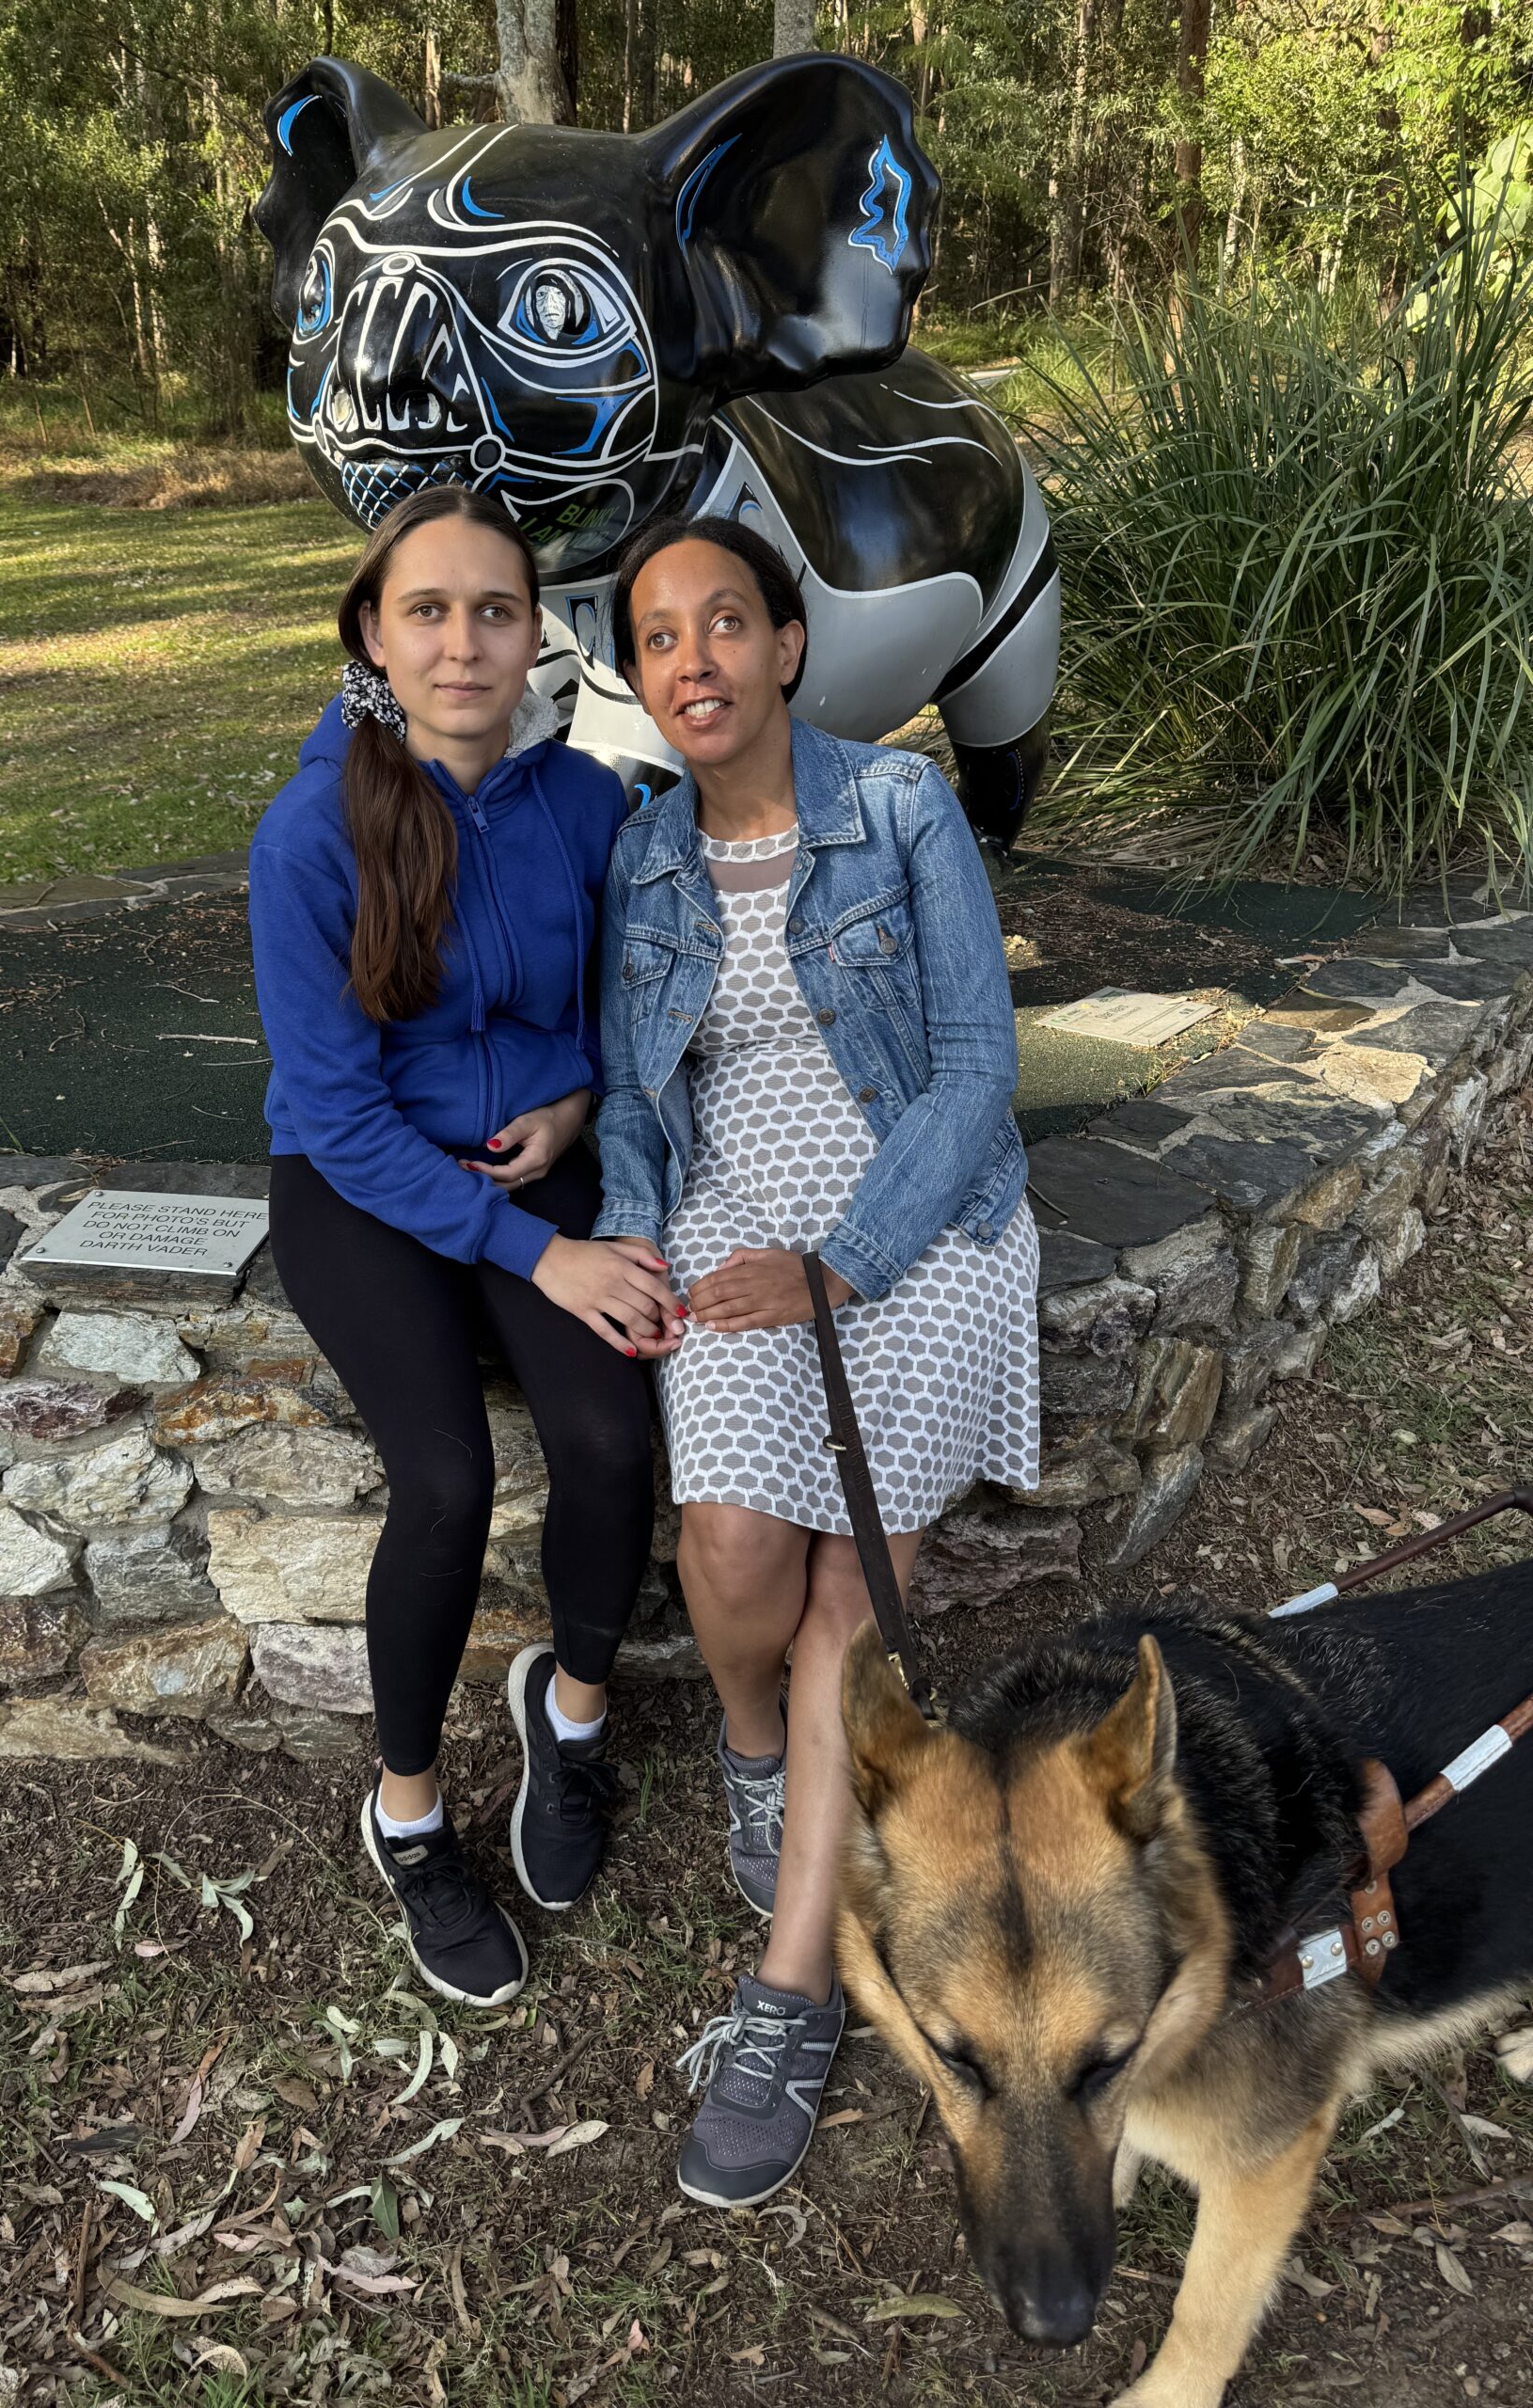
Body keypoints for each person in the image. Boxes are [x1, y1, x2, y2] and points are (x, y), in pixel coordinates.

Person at [594, 516, 1038, 2205]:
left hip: (915, 1232)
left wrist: (846, 1262)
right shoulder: (643, 860)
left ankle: (789, 1999)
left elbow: (972, 1068)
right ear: (638, 680)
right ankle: (752, 1746)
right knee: (730, 1559)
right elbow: (636, 1095)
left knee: (852, 1606)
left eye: (726, 624)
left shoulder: (905, 808)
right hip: (723, 1227)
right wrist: (644, 1238)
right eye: (657, 639)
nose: (694, 660)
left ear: (789, 648)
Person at [248, 486, 682, 2010]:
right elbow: (342, 1118)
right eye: (426, 610)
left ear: (536, 633)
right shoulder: (313, 833)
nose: (462, 642)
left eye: (494, 610)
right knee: (444, 1477)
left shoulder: (585, 806)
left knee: (614, 1437)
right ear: (373, 631)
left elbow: (617, 1013)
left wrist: (573, 1102)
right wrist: (538, 1251)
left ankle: (566, 1723)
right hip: (363, 1187)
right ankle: (412, 1813)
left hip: (530, 1159)